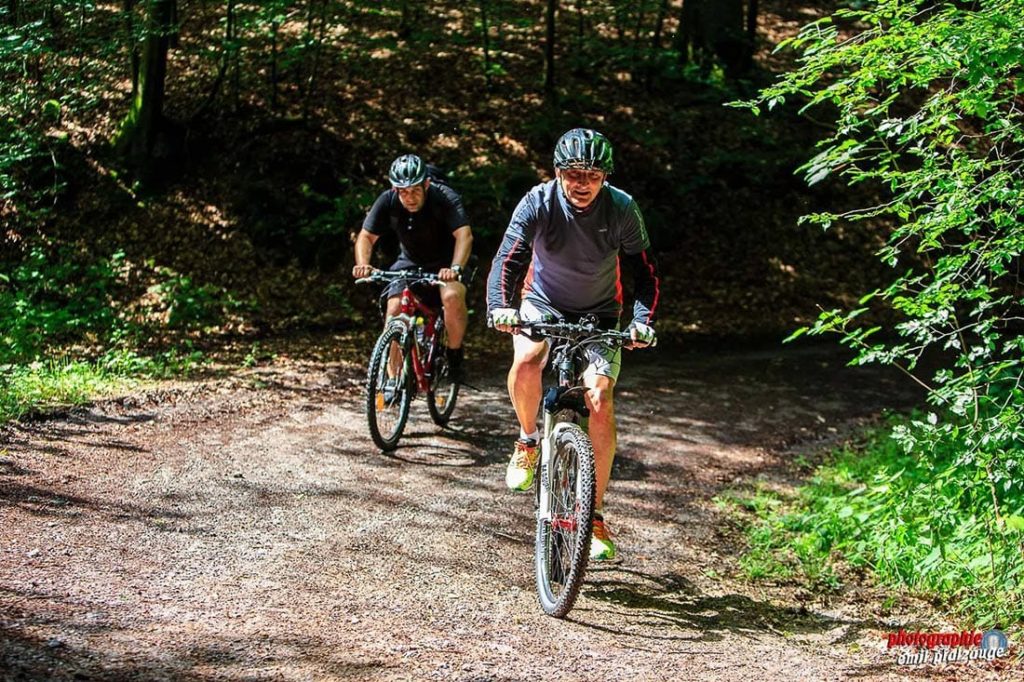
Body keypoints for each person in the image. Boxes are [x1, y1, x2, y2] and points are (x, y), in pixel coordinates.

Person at [486, 128, 660, 562]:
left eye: (593, 175)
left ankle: (594, 514)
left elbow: (645, 274)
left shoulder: (622, 209)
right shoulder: (537, 202)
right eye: (573, 173)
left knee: (599, 397)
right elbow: (507, 259)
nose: (582, 183)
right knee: (528, 357)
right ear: (557, 172)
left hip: (600, 311)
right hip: (542, 301)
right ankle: (528, 442)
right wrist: (499, 307)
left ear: (605, 177)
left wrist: (641, 322)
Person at [352, 154, 473, 379]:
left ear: (426, 184)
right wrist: (363, 265)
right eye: (403, 192)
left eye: (415, 190)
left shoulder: (444, 197)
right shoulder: (388, 200)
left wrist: (455, 268)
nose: (409, 198)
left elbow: (464, 235)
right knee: (394, 309)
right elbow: (366, 237)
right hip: (409, 261)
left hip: (446, 263)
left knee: (451, 297)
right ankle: (392, 380)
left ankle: (454, 354)